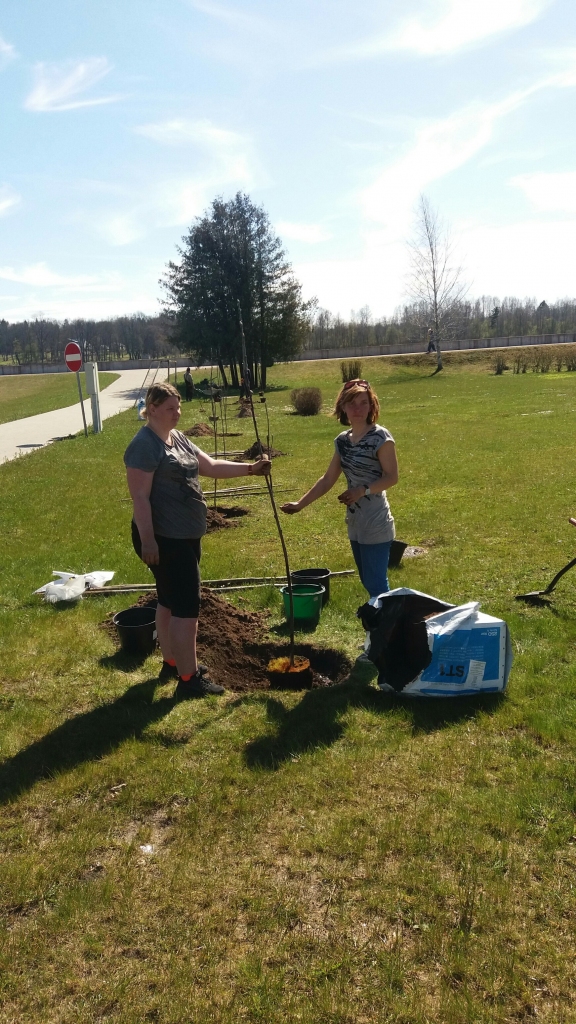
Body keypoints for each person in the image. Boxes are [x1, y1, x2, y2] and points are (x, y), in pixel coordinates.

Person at [124, 382, 270, 699]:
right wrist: (149, 541)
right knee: (187, 608)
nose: (177, 413)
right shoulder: (144, 445)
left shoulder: (177, 438)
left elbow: (211, 466)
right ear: (151, 409)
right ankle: (188, 681)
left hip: (185, 535)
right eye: (169, 409)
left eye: (178, 407)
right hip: (164, 538)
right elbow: (139, 498)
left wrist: (251, 469)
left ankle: (173, 662)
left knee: (168, 600)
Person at [281, 379, 398, 598]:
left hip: (376, 520)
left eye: (363, 403)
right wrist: (300, 504)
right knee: (368, 581)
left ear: (372, 406)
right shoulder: (342, 441)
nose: (357, 409)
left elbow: (392, 477)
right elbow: (327, 479)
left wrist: (361, 490)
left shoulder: (381, 438)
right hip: (355, 521)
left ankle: (390, 628)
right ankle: (384, 626)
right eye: (351, 403)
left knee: (376, 585)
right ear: (342, 407)